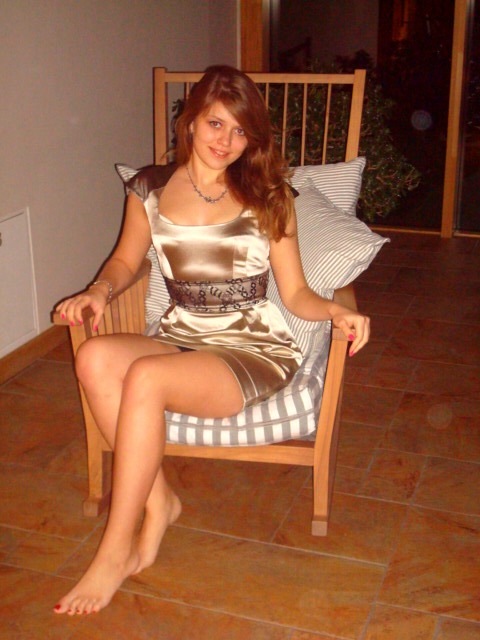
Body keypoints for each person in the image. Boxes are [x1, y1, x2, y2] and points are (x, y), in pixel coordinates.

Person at [53, 65, 370, 616]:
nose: (226, 141)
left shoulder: (268, 194)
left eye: (240, 130)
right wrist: (99, 291)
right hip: (182, 333)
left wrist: (336, 311)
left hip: (250, 347)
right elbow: (126, 260)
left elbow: (296, 292)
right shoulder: (149, 188)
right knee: (95, 358)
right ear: (191, 121)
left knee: (146, 378)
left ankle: (114, 551)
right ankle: (161, 502)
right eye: (216, 124)